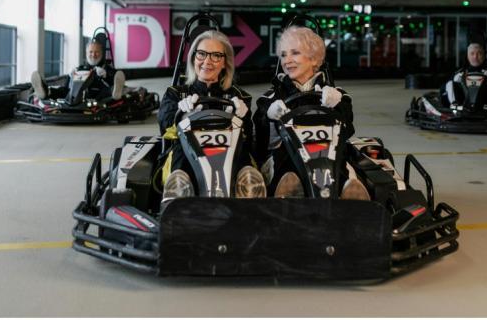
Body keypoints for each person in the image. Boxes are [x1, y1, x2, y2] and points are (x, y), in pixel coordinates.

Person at [252, 25, 370, 200]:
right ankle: (288, 196)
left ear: (314, 59)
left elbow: (347, 130)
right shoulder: (270, 98)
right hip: (286, 156)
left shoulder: (336, 94)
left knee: (342, 166)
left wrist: (337, 107)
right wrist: (268, 117)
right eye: (283, 55)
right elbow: (260, 144)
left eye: (295, 53)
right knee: (286, 170)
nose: (287, 60)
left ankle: (350, 195)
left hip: (327, 155)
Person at [157, 29, 265, 206]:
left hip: (228, 152)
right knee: (180, 153)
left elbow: (249, 137)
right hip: (187, 154)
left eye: (216, 56)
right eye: (202, 54)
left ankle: (249, 198)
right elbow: (165, 129)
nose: (207, 61)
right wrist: (181, 114)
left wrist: (243, 118)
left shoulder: (238, 96)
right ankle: (177, 197)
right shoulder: (176, 93)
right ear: (193, 58)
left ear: (225, 62)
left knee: (244, 154)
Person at [30, 37, 125, 102]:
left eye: (97, 52)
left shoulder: (107, 69)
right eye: (91, 52)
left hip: (97, 95)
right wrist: (70, 77)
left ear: (101, 53)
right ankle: (45, 91)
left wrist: (106, 76)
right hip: (79, 94)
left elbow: (116, 78)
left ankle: (114, 92)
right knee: (64, 91)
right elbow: (67, 87)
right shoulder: (80, 68)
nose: (93, 54)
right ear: (86, 53)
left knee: (107, 92)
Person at [444, 41, 487, 108]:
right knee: (450, 83)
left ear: (484, 56)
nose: (475, 57)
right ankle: (454, 103)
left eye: (479, 54)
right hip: (464, 102)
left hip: (486, 102)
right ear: (467, 56)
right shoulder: (461, 72)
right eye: (472, 54)